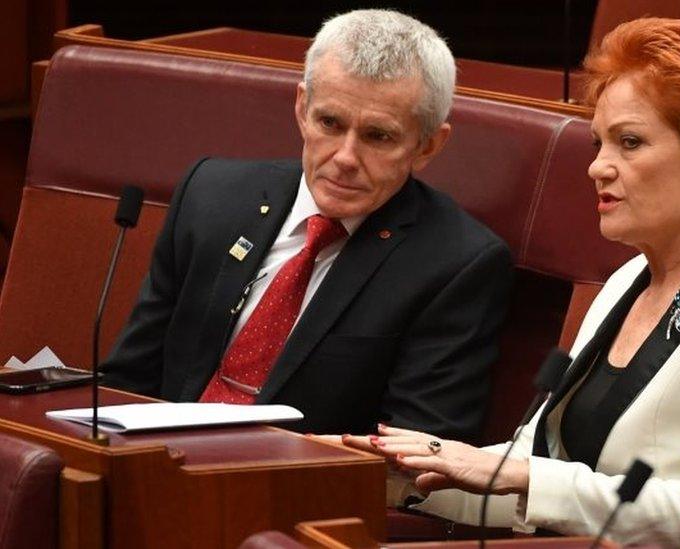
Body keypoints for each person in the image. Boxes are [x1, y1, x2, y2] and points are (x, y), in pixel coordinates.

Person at [343, 17, 680, 548]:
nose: (598, 167)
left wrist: (526, 475)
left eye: (630, 142)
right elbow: (527, 473)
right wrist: (380, 472)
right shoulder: (630, 278)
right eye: (599, 142)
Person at [102, 9, 512, 439]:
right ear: (302, 108)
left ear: (428, 145)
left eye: (378, 136)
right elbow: (129, 380)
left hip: (296, 491)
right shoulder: (212, 195)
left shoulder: (457, 265)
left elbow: (417, 448)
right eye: (330, 123)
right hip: (151, 464)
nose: (346, 158)